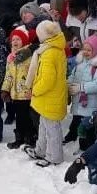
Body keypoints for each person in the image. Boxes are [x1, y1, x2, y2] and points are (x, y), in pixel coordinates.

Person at [25, 20, 68, 167]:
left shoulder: (49, 53)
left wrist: (34, 91)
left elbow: (47, 80)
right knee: (44, 126)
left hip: (49, 96)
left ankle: (54, 157)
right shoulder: (54, 49)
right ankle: (40, 150)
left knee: (52, 130)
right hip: (50, 97)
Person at [65, 34, 97, 146]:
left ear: (96, 51)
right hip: (78, 101)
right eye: (84, 49)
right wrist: (68, 84)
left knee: (86, 125)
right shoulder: (79, 64)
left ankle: (85, 144)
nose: (86, 52)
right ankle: (72, 134)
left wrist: (81, 87)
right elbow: (72, 76)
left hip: (89, 103)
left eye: (89, 50)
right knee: (76, 119)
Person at [2, 27, 36, 150]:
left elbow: (34, 75)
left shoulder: (30, 56)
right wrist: (5, 89)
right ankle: (19, 138)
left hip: (27, 93)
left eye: (18, 39)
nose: (15, 41)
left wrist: (33, 90)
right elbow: (8, 75)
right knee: (19, 117)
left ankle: (30, 138)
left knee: (28, 117)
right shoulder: (10, 58)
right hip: (15, 93)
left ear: (24, 41)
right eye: (13, 39)